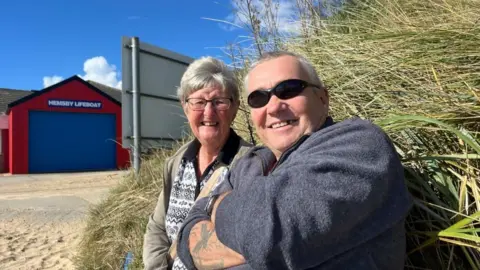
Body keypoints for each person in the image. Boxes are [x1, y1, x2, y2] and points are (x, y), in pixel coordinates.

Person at [175, 51, 413, 270]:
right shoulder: (249, 163)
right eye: (259, 98)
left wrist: (213, 205)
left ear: (322, 97)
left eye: (289, 89)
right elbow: (186, 235)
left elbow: (269, 232)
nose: (274, 106)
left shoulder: (360, 144)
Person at [142, 56, 253, 270]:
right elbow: (157, 227)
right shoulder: (176, 163)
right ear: (185, 107)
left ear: (235, 107)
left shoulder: (250, 165)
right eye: (198, 102)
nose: (208, 113)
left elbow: (246, 247)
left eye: (219, 101)